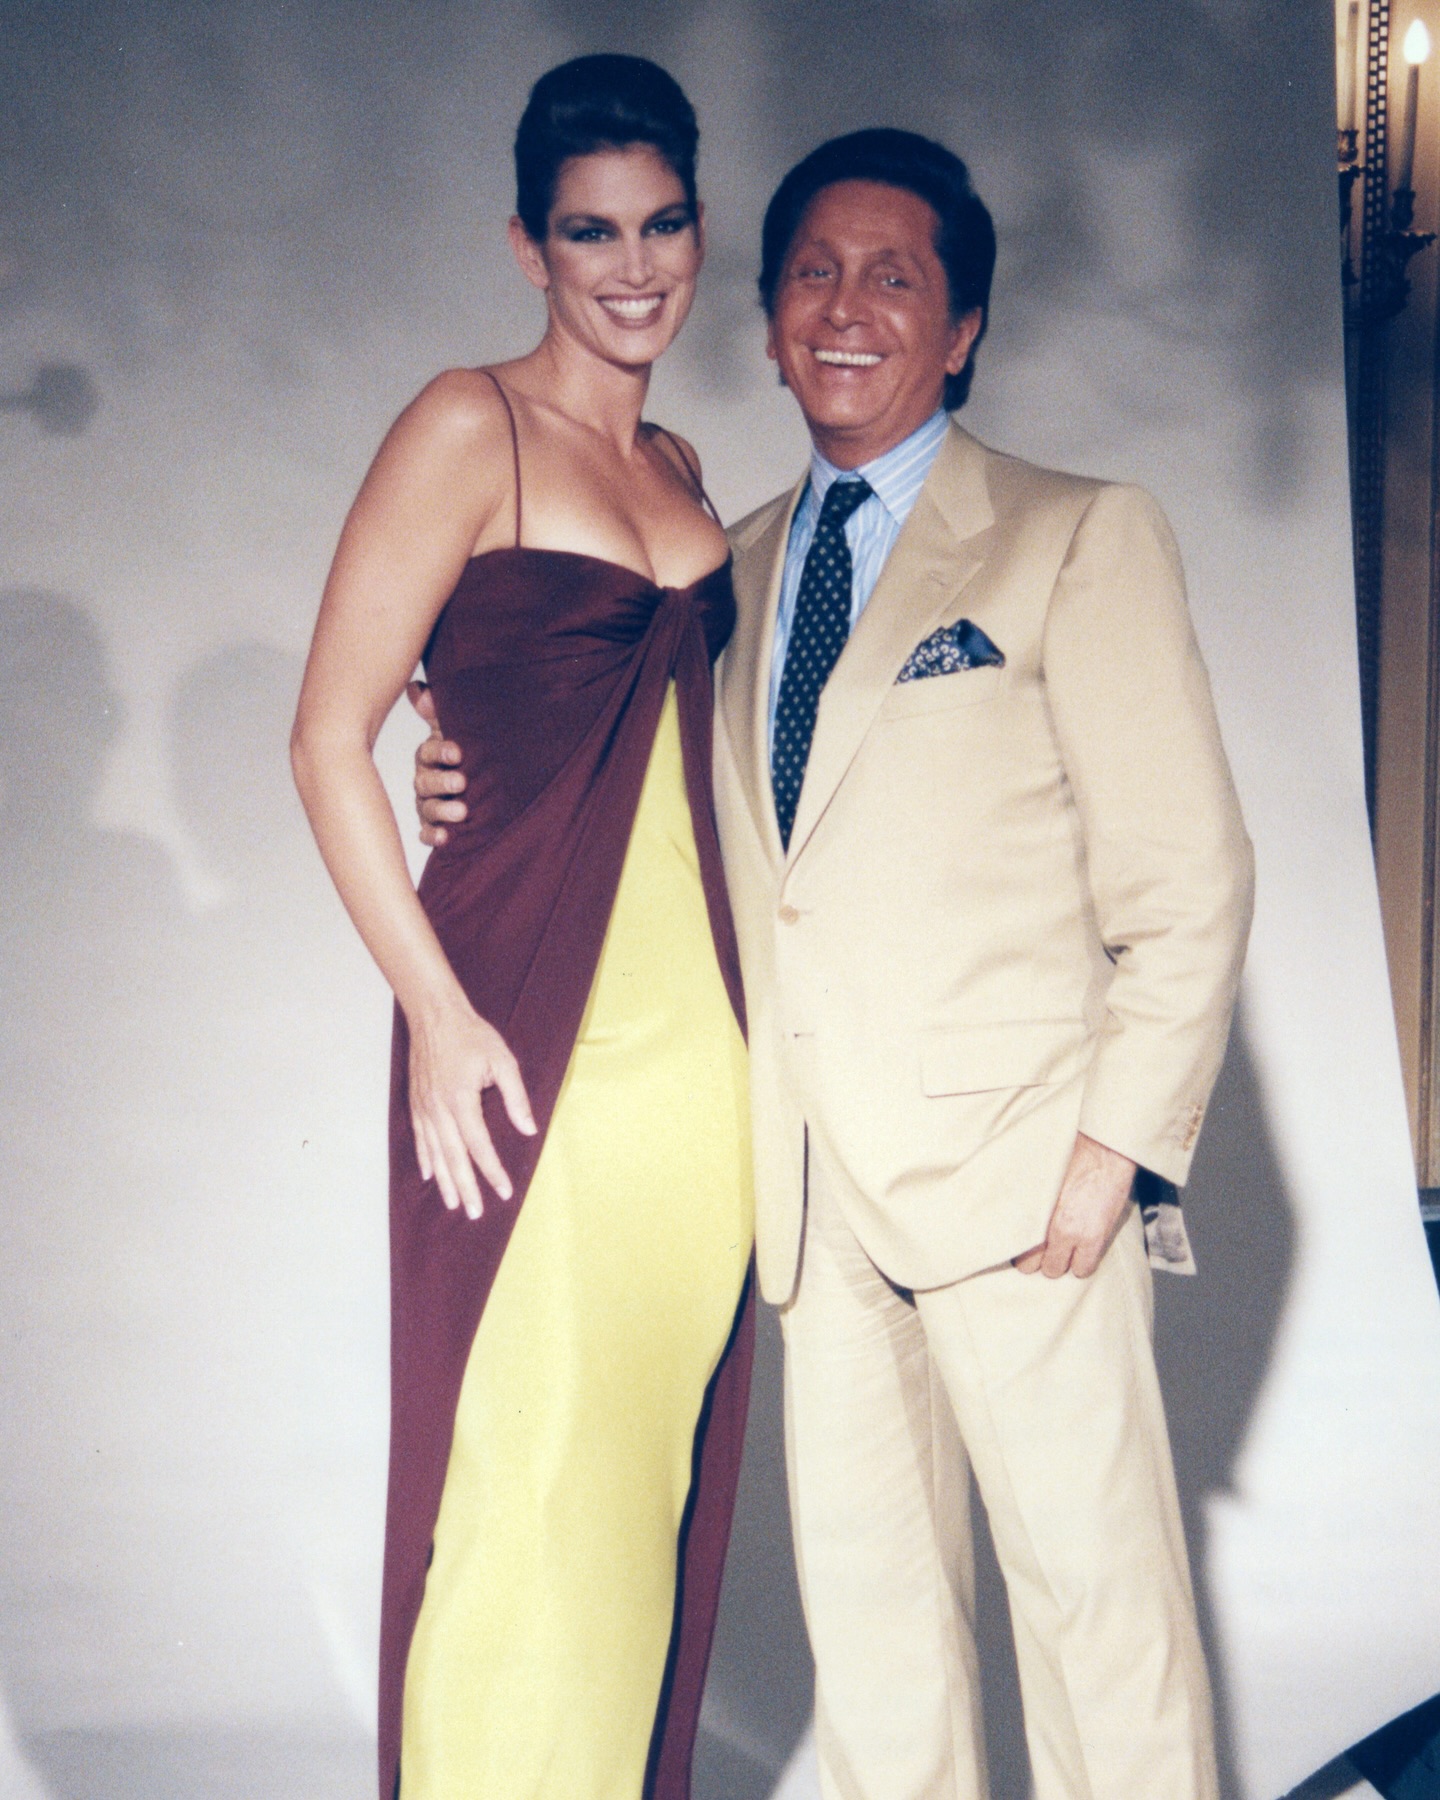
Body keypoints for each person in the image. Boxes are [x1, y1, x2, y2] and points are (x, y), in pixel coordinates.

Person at [418, 127, 1254, 1800]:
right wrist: (466, 773)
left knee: (1099, 1623)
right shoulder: (716, 571)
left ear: (962, 329)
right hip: (809, 1195)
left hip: (1025, 1183)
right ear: (770, 321)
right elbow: (637, 800)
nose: (846, 309)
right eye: (813, 274)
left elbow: (1191, 880)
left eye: (893, 278)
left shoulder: (1075, 534)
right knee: (878, 1647)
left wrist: (1117, 1150)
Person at [291, 55, 755, 1800]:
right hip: (520, 1037)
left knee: (638, 1489)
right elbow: (326, 738)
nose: (634, 269)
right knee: (525, 1488)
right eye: (590, 233)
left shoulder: (684, 462)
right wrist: (438, 1014)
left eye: (663, 224)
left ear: (698, 227)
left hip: (704, 1070)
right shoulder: (463, 426)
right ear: (527, 246)